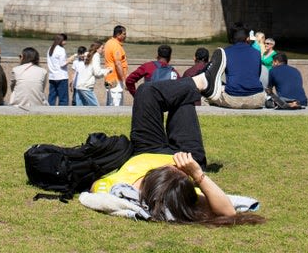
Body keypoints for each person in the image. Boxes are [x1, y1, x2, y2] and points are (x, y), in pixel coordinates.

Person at [81, 66, 264, 226]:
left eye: (171, 168)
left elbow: (95, 190)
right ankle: (203, 83)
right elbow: (228, 212)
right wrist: (197, 174)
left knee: (146, 92)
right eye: (180, 171)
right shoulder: (183, 189)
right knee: (181, 100)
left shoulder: (123, 187)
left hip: (147, 150)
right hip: (189, 154)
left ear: (150, 178)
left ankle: (202, 82)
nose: (175, 164)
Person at [203, 27, 265, 110]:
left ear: (233, 39)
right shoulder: (257, 53)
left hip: (233, 98)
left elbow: (214, 75)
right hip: (258, 99)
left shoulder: (225, 52)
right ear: (247, 39)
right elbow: (257, 74)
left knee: (205, 97)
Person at [71, 42, 107, 106]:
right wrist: (107, 70)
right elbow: (97, 73)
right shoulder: (96, 56)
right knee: (96, 107)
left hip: (79, 86)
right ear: (97, 49)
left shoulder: (88, 54)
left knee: (79, 108)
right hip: (86, 86)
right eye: (102, 48)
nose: (103, 50)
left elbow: (81, 55)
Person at [102, 25, 128, 107]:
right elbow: (118, 64)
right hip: (115, 79)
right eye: (124, 34)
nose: (125, 36)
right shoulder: (116, 46)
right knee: (116, 105)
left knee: (110, 102)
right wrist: (124, 80)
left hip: (108, 78)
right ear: (118, 35)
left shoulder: (108, 43)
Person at [47, 33, 70, 106]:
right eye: (65, 40)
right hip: (61, 76)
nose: (66, 42)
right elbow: (62, 64)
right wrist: (69, 60)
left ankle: (49, 111)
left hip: (52, 76)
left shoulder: (50, 49)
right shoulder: (61, 50)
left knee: (52, 97)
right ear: (62, 40)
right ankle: (62, 113)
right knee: (63, 98)